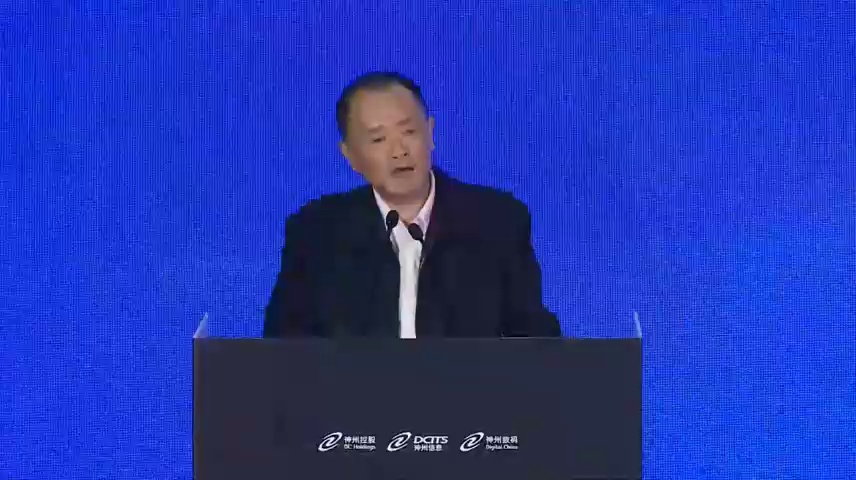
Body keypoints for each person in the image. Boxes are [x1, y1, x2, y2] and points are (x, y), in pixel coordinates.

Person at [263, 71, 560, 338]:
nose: (399, 151)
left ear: (430, 133)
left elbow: (534, 341)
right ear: (350, 155)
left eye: (409, 132)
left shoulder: (496, 222)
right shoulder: (316, 232)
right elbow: (283, 349)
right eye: (378, 139)